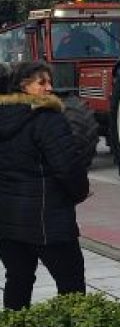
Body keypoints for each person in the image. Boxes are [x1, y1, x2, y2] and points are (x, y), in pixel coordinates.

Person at [0, 61, 90, 310]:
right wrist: (79, 192)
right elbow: (68, 167)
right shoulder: (47, 118)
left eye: (50, 81)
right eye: (42, 82)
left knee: (18, 278)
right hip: (48, 220)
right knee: (71, 284)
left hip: (7, 222)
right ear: (23, 85)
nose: (49, 88)